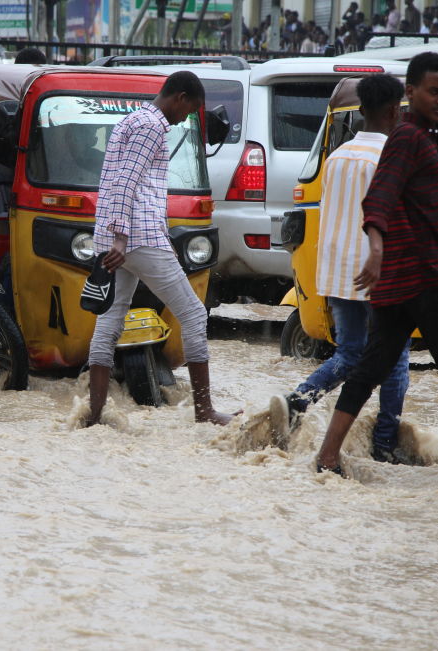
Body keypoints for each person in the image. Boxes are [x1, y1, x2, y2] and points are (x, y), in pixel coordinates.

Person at [312, 52, 438, 479]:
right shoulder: (407, 140)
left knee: (369, 368)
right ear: (409, 93)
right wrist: (377, 245)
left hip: (395, 285)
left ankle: (328, 457)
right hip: (422, 277)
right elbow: (379, 197)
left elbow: (435, 209)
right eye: (433, 91)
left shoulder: (416, 138)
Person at [266, 74, 410, 461]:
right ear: (396, 110)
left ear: (361, 110)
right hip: (378, 274)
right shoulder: (392, 157)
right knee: (396, 362)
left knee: (349, 354)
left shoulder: (338, 157)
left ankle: (298, 401)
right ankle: (384, 443)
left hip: (338, 271)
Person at [85, 71, 232, 428]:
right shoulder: (151, 127)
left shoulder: (132, 120)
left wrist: (114, 237)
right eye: (190, 109)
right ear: (179, 98)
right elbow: (126, 181)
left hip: (116, 237)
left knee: (108, 325)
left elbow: (117, 179)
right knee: (194, 315)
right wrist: (122, 237)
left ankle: (94, 416)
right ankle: (204, 411)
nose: (185, 118)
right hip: (139, 238)